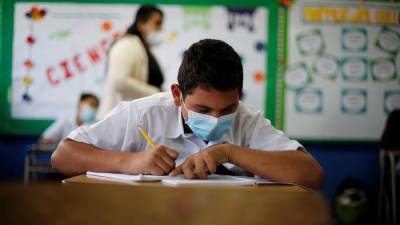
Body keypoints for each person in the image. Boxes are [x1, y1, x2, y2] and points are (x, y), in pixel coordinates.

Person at [52, 39, 324, 189]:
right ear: (176, 95)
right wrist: (131, 162)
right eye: (203, 109)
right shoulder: (143, 114)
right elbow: (62, 157)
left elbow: (312, 175)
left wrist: (228, 152)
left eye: (227, 108)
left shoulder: (246, 119)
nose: (217, 118)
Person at [97, 5, 165, 119]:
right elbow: (119, 81)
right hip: (115, 121)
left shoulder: (141, 48)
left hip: (127, 119)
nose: (161, 29)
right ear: (141, 24)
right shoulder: (127, 45)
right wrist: (156, 93)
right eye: (157, 23)